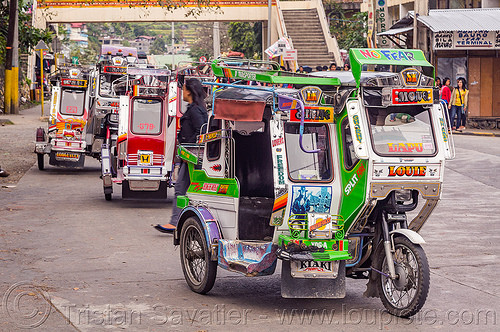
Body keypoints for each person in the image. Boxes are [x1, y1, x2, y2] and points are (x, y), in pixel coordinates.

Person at [154, 78, 208, 233]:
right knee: (186, 189)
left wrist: (189, 148)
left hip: (192, 156)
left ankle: (176, 222)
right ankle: (179, 222)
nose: (182, 92)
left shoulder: (195, 111)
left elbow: (201, 132)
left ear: (189, 91)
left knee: (181, 189)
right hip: (190, 156)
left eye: (183, 89)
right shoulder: (196, 108)